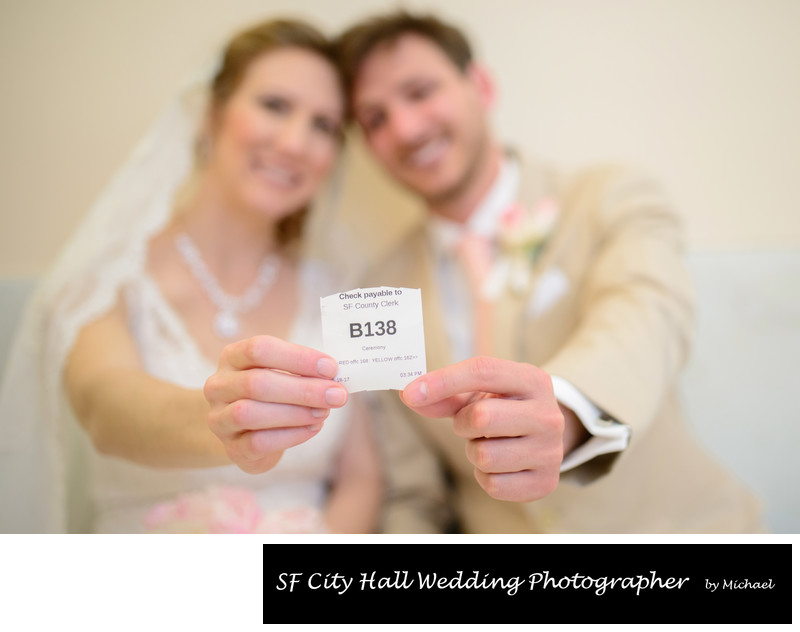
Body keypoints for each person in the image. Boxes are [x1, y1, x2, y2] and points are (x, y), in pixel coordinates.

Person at [323, 10, 763, 533]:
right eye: (375, 118)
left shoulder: (607, 197)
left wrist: (569, 411)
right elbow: (413, 495)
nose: (407, 128)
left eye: (420, 92)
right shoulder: (375, 292)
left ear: (480, 85)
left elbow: (648, 315)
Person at [0, 18, 381, 534]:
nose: (296, 142)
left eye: (323, 125)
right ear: (212, 113)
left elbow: (361, 477)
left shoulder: (337, 292)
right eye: (275, 106)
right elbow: (105, 409)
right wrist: (224, 421)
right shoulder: (108, 279)